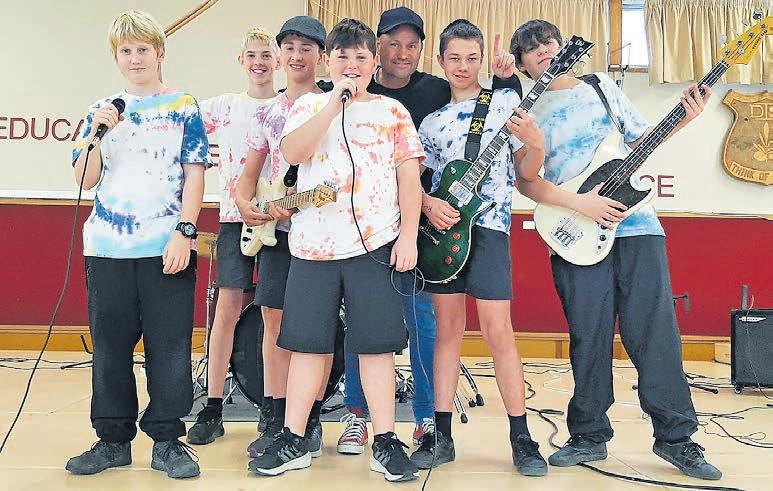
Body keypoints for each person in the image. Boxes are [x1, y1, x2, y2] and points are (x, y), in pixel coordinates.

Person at [510, 19, 721, 481]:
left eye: (549, 41)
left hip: (636, 225)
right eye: (531, 47)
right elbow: (527, 182)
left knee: (655, 331)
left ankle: (677, 438)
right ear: (522, 63)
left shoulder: (600, 87)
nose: (543, 50)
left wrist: (685, 118)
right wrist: (581, 203)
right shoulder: (523, 111)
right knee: (588, 333)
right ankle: (588, 434)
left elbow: (640, 141)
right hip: (572, 229)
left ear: (564, 47)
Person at [337, 5, 525, 454]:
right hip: (367, 227)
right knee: (362, 318)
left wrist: (508, 80)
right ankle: (357, 414)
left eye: (411, 44)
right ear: (376, 48)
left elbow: (493, 112)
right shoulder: (350, 89)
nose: (402, 52)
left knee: (430, 325)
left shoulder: (437, 90)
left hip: (435, 231)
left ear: (424, 52)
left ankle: (429, 421)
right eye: (393, 43)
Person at [248, 18, 424, 482]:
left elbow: (409, 178)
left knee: (377, 346)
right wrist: (331, 105)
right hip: (313, 250)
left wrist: (408, 236)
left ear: (374, 62)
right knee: (307, 346)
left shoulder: (392, 112)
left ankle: (386, 441)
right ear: (328, 61)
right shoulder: (308, 105)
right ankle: (293, 437)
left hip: (374, 246)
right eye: (342, 57)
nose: (351, 65)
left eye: (361, 57)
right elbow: (293, 153)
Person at [65, 10, 208, 479]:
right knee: (110, 349)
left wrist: (185, 231)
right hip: (107, 249)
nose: (135, 58)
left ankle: (167, 440)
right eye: (126, 51)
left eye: (143, 49)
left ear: (159, 52)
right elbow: (85, 179)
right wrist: (96, 133)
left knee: (169, 348)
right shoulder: (101, 111)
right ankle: (112, 440)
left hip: (165, 245)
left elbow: (194, 174)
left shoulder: (183, 105)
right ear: (116, 57)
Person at [407, 18, 548, 477]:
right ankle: (441, 435)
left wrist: (536, 144)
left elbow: (526, 169)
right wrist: (426, 204)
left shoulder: (506, 102)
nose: (462, 66)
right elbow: (413, 179)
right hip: (444, 234)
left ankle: (521, 436)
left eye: (471, 58)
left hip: (489, 230)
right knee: (447, 331)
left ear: (482, 59)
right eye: (454, 58)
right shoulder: (431, 123)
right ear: (440, 61)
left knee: (498, 331)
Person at [235, 15, 331, 460]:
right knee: (272, 320)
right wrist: (243, 202)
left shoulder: (331, 107)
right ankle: (273, 415)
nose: (297, 56)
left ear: (321, 57)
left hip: (319, 234)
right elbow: (249, 173)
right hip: (275, 235)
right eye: (289, 47)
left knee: (314, 330)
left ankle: (308, 419)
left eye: (306, 48)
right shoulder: (268, 112)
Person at [186, 26, 279, 446]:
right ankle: (213, 405)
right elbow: (180, 126)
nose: (259, 63)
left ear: (278, 61)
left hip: (280, 220)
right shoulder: (222, 107)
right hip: (232, 217)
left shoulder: (289, 107)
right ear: (241, 61)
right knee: (226, 307)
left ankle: (274, 407)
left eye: (266, 55)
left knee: (276, 312)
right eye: (252, 55)